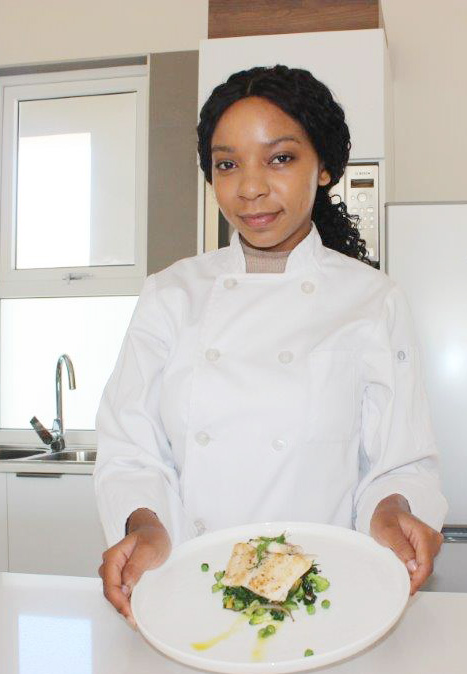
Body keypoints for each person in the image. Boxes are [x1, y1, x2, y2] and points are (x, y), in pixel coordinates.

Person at [94, 65, 447, 629]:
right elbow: (130, 447)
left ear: (325, 167)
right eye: (227, 164)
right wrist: (145, 526)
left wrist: (391, 510)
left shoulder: (372, 300)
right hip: (190, 588)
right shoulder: (171, 294)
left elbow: (399, 457)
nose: (249, 186)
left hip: (327, 597)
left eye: (280, 158)